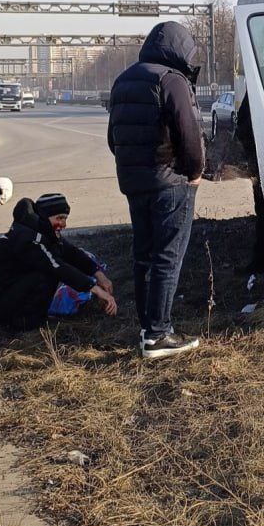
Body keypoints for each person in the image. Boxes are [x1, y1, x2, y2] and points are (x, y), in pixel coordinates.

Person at [107, 21, 205, 361]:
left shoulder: (124, 80)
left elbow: (112, 140)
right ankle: (159, 335)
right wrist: (194, 173)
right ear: (179, 49)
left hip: (135, 184)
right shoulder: (171, 80)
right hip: (170, 184)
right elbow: (189, 134)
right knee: (168, 256)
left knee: (144, 255)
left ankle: (147, 327)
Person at [0, 193, 117, 332]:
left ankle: (30, 318)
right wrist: (95, 289)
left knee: (57, 265)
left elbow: (72, 253)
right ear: (45, 216)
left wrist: (99, 275)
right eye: (59, 218)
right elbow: (57, 267)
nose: (64, 224)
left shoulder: (40, 230)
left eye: (65, 218)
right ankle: (24, 324)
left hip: (7, 292)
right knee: (48, 273)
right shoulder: (28, 237)